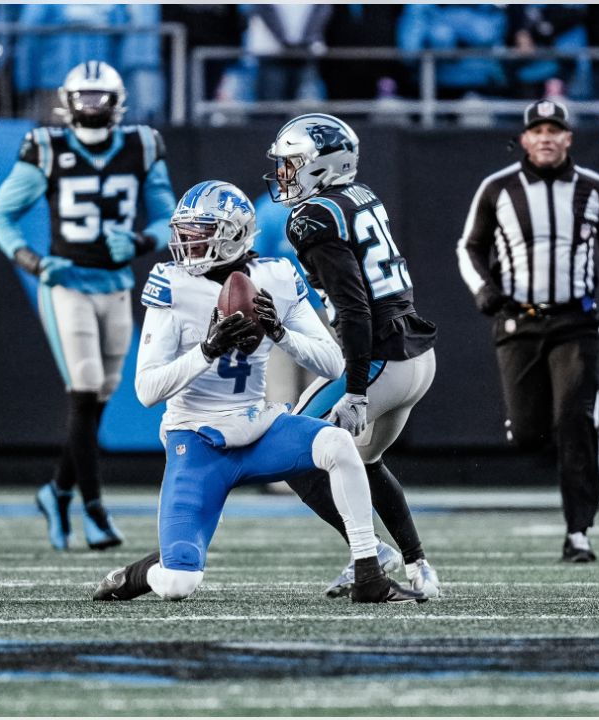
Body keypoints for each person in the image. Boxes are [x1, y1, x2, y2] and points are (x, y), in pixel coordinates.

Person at [92, 181, 425, 604]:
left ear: (234, 235)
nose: (187, 244)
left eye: (201, 234)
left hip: (257, 426)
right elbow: (146, 391)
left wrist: (281, 333)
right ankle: (138, 574)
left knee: (339, 443)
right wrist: (206, 350)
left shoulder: (276, 276)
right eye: (185, 233)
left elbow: (331, 362)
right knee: (178, 584)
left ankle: (369, 573)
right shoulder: (172, 284)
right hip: (196, 439)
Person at [0, 60, 176, 552]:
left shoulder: (141, 146)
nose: (92, 108)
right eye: (84, 98)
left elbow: (168, 219)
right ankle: (93, 510)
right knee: (85, 387)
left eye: (101, 99)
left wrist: (137, 241)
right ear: (67, 103)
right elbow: (1, 215)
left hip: (114, 283)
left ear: (118, 104)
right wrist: (31, 260)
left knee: (97, 398)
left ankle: (57, 491)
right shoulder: (47, 148)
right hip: (66, 283)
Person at [264, 113, 441, 599]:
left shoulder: (313, 216)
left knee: (289, 450)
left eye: (293, 163)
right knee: (363, 460)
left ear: (323, 165)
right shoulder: (360, 196)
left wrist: (357, 389)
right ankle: (417, 563)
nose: (284, 172)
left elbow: (353, 308)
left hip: (379, 357)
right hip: (415, 355)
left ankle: (373, 554)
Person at [456, 99, 599, 563]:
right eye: (539, 130)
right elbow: (469, 246)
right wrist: (484, 291)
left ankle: (579, 533)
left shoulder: (595, 188)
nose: (547, 137)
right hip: (519, 319)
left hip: (576, 320)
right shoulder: (497, 189)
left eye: (556, 130)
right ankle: (544, 432)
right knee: (529, 433)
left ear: (568, 138)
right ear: (525, 139)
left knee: (574, 420)